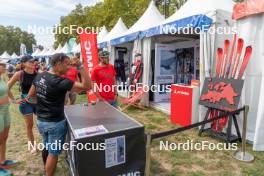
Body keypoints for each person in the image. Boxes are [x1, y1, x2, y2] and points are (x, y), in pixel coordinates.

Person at [26, 53, 92, 176]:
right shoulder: (61, 81)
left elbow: (31, 96)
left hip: (41, 121)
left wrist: (43, 103)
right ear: (58, 64)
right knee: (53, 152)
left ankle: (46, 169)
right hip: (55, 123)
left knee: (47, 146)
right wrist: (80, 67)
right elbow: (87, 86)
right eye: (66, 64)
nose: (69, 67)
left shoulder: (40, 76)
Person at [8, 55, 37, 155]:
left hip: (38, 102)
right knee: (30, 125)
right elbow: (7, 87)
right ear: (24, 63)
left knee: (44, 123)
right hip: (25, 103)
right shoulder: (19, 74)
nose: (33, 63)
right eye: (30, 62)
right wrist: (14, 100)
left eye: (34, 61)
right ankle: (32, 146)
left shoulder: (38, 73)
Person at [0, 61, 17, 175]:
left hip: (6, 110)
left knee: (4, 138)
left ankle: (3, 161)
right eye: (2, 65)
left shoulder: (2, 78)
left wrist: (14, 99)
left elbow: (7, 90)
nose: (5, 67)